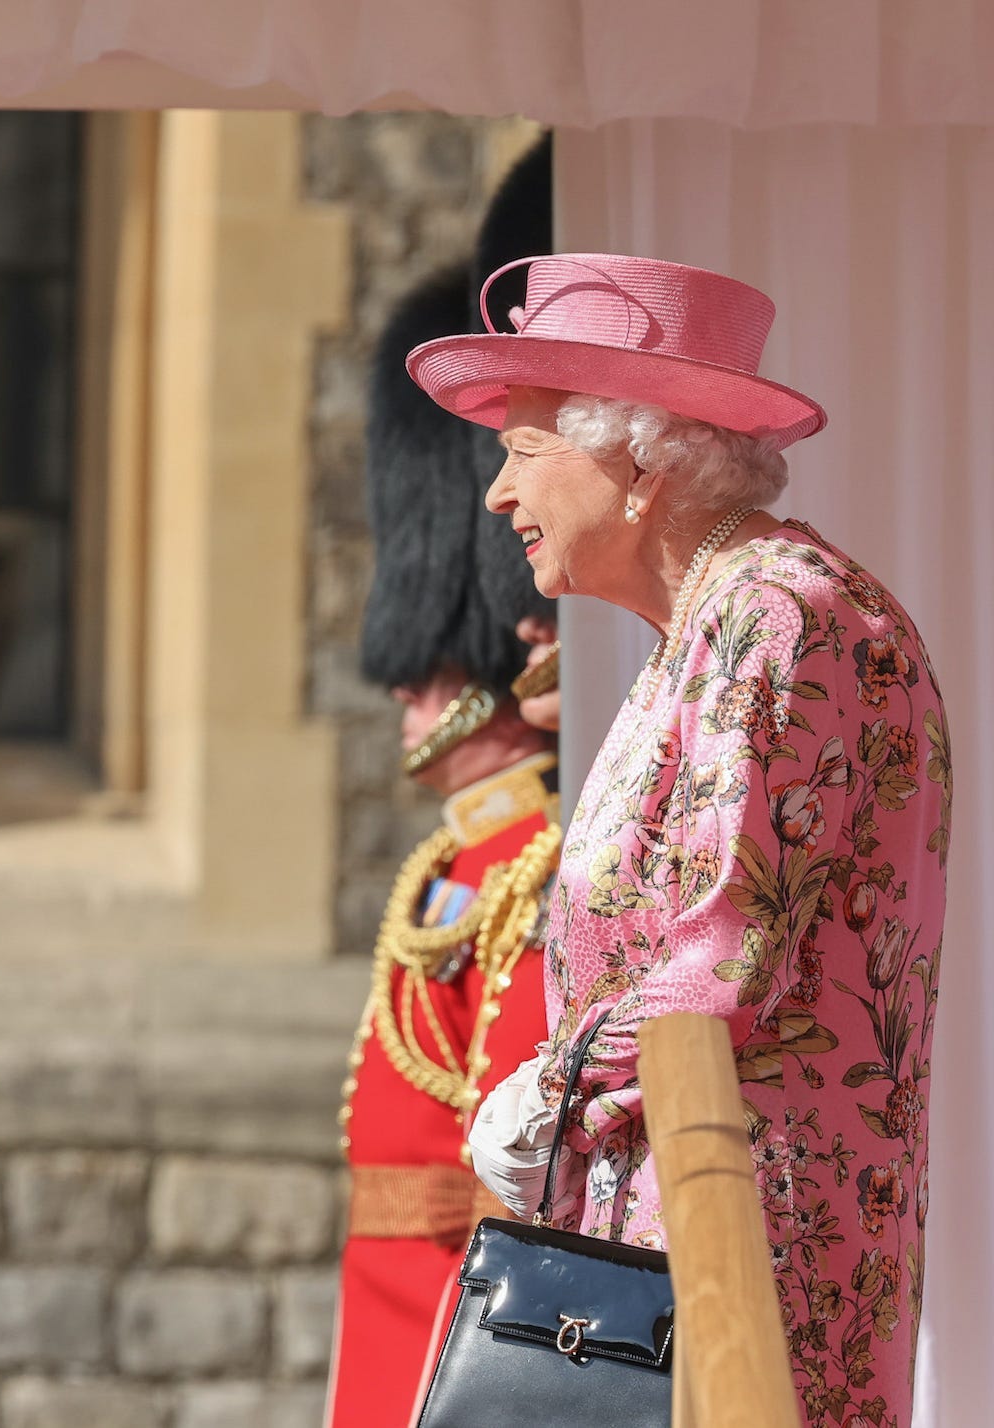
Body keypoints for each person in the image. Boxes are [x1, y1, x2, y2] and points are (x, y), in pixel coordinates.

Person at [412, 252, 948, 1425]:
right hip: (682, 1225)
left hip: (735, 1240)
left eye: (521, 452)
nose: (497, 497)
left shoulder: (775, 612)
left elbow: (721, 957)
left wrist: (542, 1095)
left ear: (638, 458)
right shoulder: (718, 614)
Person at [324, 263, 560, 1428]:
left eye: (438, 662)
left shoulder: (532, 862)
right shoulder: (451, 867)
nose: (411, 688)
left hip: (457, 1311)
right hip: (383, 1306)